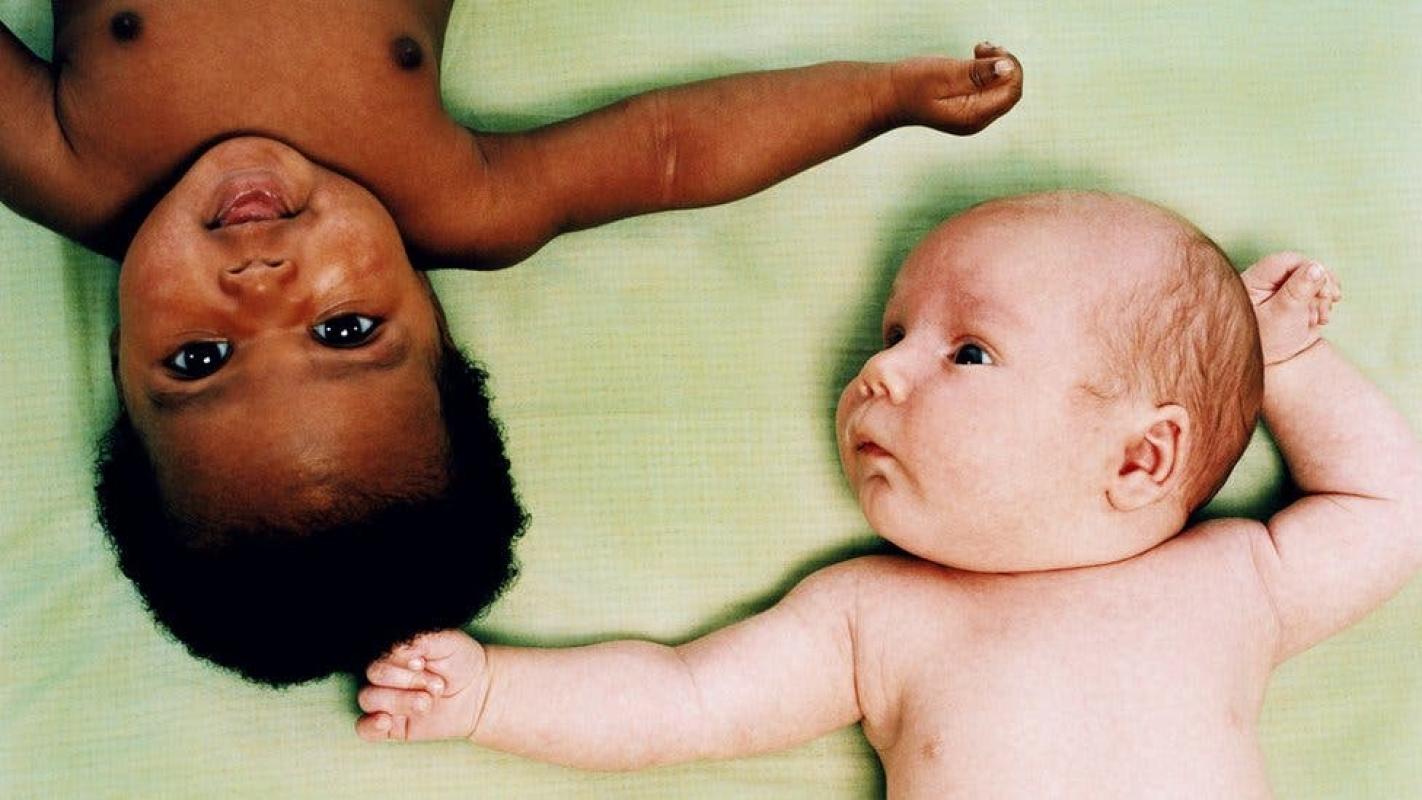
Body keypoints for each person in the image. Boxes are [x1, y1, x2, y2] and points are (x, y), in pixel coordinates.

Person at [0, 4, 1022, 686]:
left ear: (120, 363)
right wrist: (878, 100)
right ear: (435, 321)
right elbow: (672, 152)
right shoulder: (459, 202)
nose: (262, 283)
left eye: (199, 360)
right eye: (343, 330)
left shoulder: (70, 167)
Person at [355, 192, 1421, 797]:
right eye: (893, 331)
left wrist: (1276, 364)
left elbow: (1390, 507)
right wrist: (493, 695)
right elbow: (687, 701)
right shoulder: (876, 614)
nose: (880, 370)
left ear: (1142, 460)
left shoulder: (1230, 582)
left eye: (967, 349)